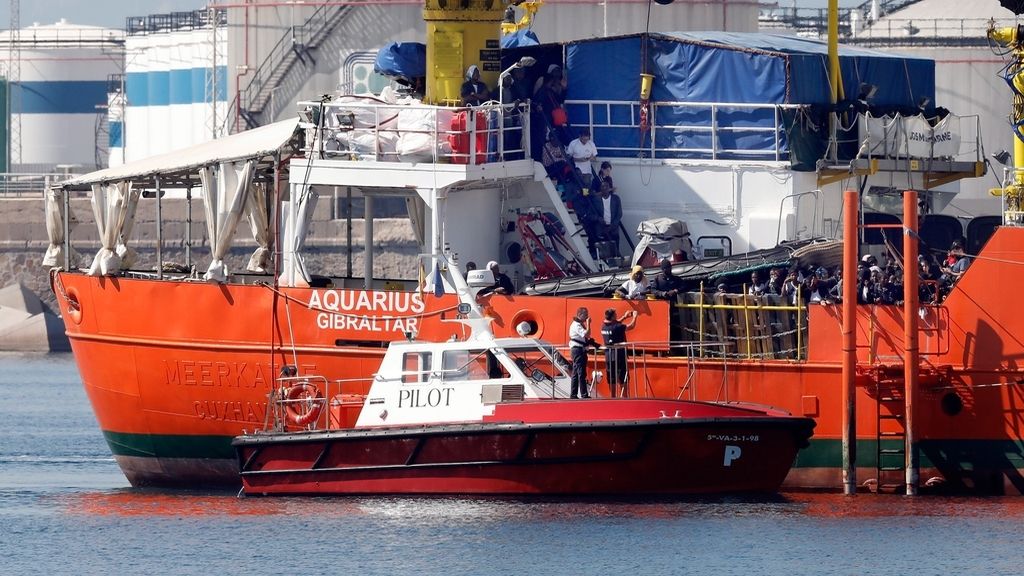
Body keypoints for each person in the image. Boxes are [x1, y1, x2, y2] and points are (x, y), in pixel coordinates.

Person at [601, 308, 638, 398]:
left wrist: (624, 317)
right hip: (619, 355)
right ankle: (624, 397)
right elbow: (631, 326)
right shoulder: (618, 327)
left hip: (608, 355)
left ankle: (612, 397)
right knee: (622, 376)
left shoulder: (603, 326)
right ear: (613, 316)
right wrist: (635, 317)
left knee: (611, 378)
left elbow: (615, 323)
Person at [568, 307, 593, 399]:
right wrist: (588, 324)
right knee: (581, 372)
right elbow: (586, 334)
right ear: (580, 315)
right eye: (585, 314)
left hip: (579, 350)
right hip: (578, 350)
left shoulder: (578, 324)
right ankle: (584, 394)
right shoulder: (577, 325)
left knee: (575, 372)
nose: (587, 316)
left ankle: (573, 394)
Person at [596, 180, 622, 254]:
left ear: (609, 188)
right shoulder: (596, 200)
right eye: (602, 186)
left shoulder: (616, 199)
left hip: (613, 228)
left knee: (615, 249)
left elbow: (619, 213)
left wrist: (613, 225)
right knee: (604, 251)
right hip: (602, 228)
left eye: (606, 186)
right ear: (600, 188)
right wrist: (598, 219)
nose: (604, 188)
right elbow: (592, 213)